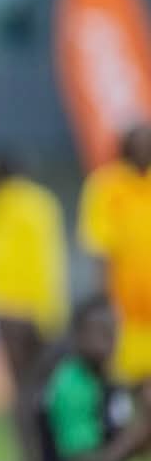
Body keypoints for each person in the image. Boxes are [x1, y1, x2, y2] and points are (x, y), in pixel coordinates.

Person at [0, 154, 68, 461]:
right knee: (47, 387)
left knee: (22, 389)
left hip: (8, 311)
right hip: (41, 308)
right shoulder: (42, 203)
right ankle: (53, 456)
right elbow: (50, 258)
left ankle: (30, 460)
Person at [38, 294, 151, 461]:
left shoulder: (107, 381)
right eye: (98, 332)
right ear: (77, 335)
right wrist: (137, 433)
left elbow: (136, 451)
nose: (108, 341)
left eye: (112, 332)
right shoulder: (72, 387)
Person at [77, 122, 151, 387]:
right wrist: (105, 303)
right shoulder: (107, 187)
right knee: (124, 386)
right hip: (124, 314)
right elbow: (99, 248)